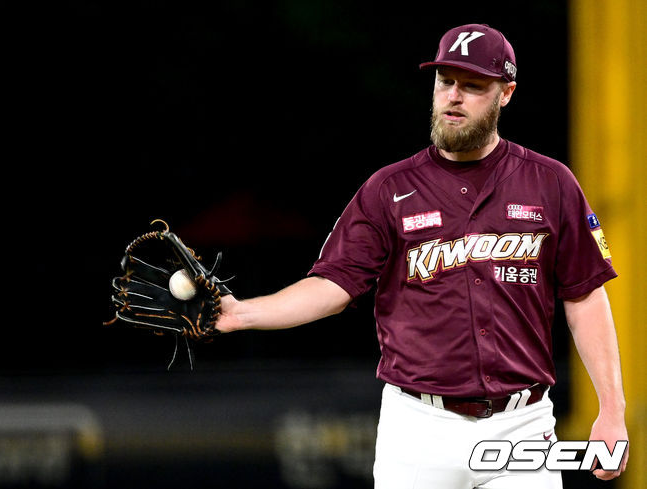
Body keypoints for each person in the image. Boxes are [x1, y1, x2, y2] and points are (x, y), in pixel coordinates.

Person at [214, 23, 628, 488]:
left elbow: (585, 297)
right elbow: (332, 286)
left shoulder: (551, 183)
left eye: (473, 85)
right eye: (445, 81)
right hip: (418, 427)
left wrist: (611, 410)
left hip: (522, 426)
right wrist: (241, 313)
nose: (454, 96)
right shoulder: (389, 189)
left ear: (505, 93)